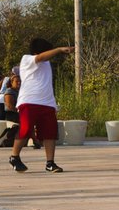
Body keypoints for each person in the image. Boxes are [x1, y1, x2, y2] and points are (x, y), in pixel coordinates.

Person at [9, 38, 72, 172]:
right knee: (25, 129)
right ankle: (14, 156)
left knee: (50, 133)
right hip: (29, 101)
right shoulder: (27, 59)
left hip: (47, 102)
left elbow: (45, 58)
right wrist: (59, 49)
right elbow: (40, 57)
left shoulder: (47, 64)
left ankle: (50, 163)